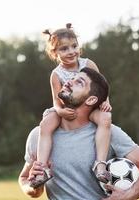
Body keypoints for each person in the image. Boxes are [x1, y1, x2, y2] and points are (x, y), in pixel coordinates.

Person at [19, 68, 139, 200]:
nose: (69, 82)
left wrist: (127, 196)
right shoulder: (39, 135)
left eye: (79, 82)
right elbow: (25, 179)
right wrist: (34, 187)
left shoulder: (108, 133)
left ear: (91, 100)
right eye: (72, 78)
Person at [30, 23, 112, 188]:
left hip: (89, 108)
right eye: (64, 49)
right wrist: (60, 111)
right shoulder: (56, 74)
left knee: (105, 118)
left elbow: (102, 86)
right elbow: (56, 99)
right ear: (54, 53)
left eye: (74, 46)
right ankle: (43, 168)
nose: (71, 51)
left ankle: (100, 165)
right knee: (45, 125)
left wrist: (105, 102)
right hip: (65, 109)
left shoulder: (88, 64)